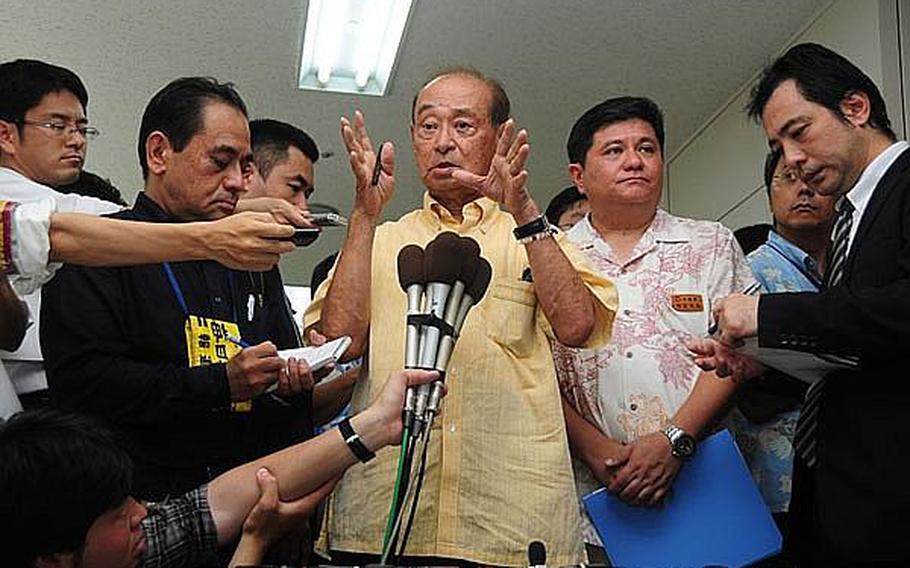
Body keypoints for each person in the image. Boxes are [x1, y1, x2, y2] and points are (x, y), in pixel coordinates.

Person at [304, 67, 618, 565]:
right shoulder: (382, 239)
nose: (443, 142)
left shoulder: (536, 235)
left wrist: (526, 213)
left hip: (509, 523)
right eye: (428, 127)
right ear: (412, 139)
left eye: (464, 126)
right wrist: (364, 213)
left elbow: (578, 327)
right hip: (381, 514)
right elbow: (337, 340)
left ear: (498, 139)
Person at [41, 77, 314, 502]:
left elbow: (277, 369)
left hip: (247, 504)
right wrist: (219, 382)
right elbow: (82, 384)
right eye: (220, 162)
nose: (238, 183)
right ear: (159, 153)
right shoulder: (101, 246)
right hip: (134, 507)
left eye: (244, 167)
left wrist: (287, 387)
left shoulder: (251, 258)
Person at [691, 42, 910, 565]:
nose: (791, 159)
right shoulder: (852, 220)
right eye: (778, 144)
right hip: (849, 503)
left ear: (855, 109)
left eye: (799, 132)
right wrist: (760, 366)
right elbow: (866, 352)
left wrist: (766, 314)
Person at [552, 96, 753, 560]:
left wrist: (674, 442)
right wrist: (597, 450)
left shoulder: (711, 243)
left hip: (705, 485)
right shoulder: (550, 257)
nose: (634, 161)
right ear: (578, 177)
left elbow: (740, 353)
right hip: (591, 501)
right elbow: (532, 369)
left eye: (646, 148)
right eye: (614, 150)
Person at [1, 368, 440, 568]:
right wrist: (254, 541)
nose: (142, 513)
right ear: (53, 557)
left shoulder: (116, 548)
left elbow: (220, 501)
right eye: (119, 515)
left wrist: (373, 427)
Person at [726, 149, 835, 559]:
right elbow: (744, 388)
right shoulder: (748, 273)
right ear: (769, 193)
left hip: (855, 484)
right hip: (778, 487)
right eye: (789, 178)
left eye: (814, 177)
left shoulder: (849, 274)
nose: (804, 189)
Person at [0, 58, 120, 410]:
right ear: (6, 135)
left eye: (82, 129)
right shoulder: (7, 188)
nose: (76, 140)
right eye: (58, 125)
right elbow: (110, 222)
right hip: (30, 390)